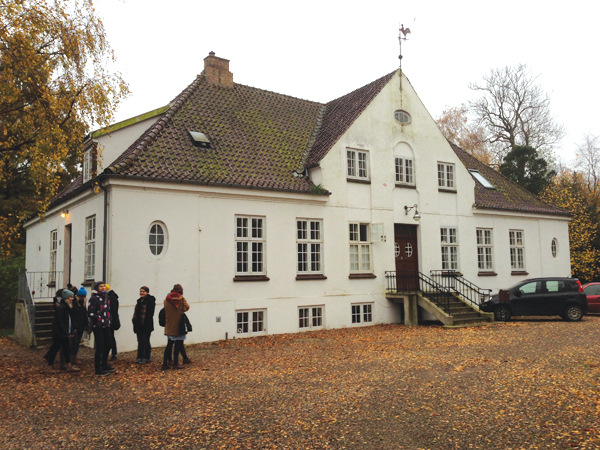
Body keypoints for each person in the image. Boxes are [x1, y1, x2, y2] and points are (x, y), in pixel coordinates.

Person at [43, 290, 80, 372]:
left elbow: (70, 320)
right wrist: (65, 332)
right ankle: (49, 365)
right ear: (67, 298)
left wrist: (72, 329)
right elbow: (60, 322)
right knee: (55, 348)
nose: (72, 299)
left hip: (64, 332)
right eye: (71, 297)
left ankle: (68, 365)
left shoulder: (67, 307)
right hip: (59, 333)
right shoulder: (61, 307)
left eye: (73, 297)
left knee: (66, 349)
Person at [88, 281, 115, 376]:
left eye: (103, 286)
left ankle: (104, 364)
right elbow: (90, 312)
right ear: (97, 288)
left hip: (107, 325)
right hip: (98, 326)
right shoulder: (93, 298)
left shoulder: (107, 297)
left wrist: (109, 319)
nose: (103, 288)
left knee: (109, 344)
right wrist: (98, 318)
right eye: (100, 286)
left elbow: (108, 310)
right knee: (100, 347)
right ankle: (97, 368)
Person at [162, 284, 189, 370]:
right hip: (178, 324)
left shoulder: (166, 300)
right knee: (178, 344)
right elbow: (186, 307)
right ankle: (176, 363)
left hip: (169, 323)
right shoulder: (181, 299)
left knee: (169, 345)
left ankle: (165, 363)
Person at [132, 286, 156, 364]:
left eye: (144, 291)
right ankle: (140, 356)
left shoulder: (150, 301)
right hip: (138, 324)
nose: (142, 293)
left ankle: (146, 357)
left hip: (146, 324)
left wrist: (145, 322)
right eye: (141, 291)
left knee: (146, 341)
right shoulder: (139, 301)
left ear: (147, 292)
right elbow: (136, 312)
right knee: (140, 341)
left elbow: (150, 313)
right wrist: (134, 320)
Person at [70, 287, 89, 366]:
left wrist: (86, 324)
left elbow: (84, 315)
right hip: (75, 326)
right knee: (74, 342)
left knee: (77, 343)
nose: (83, 298)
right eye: (82, 296)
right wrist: (74, 326)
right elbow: (72, 316)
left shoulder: (83, 303)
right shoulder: (74, 303)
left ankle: (74, 357)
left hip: (81, 325)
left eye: (84, 296)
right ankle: (70, 358)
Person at [105, 283, 120, 361]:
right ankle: (112, 353)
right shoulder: (111, 297)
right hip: (110, 320)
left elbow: (113, 311)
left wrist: (110, 320)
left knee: (110, 337)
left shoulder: (112, 298)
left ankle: (114, 353)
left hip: (111, 321)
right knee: (110, 336)